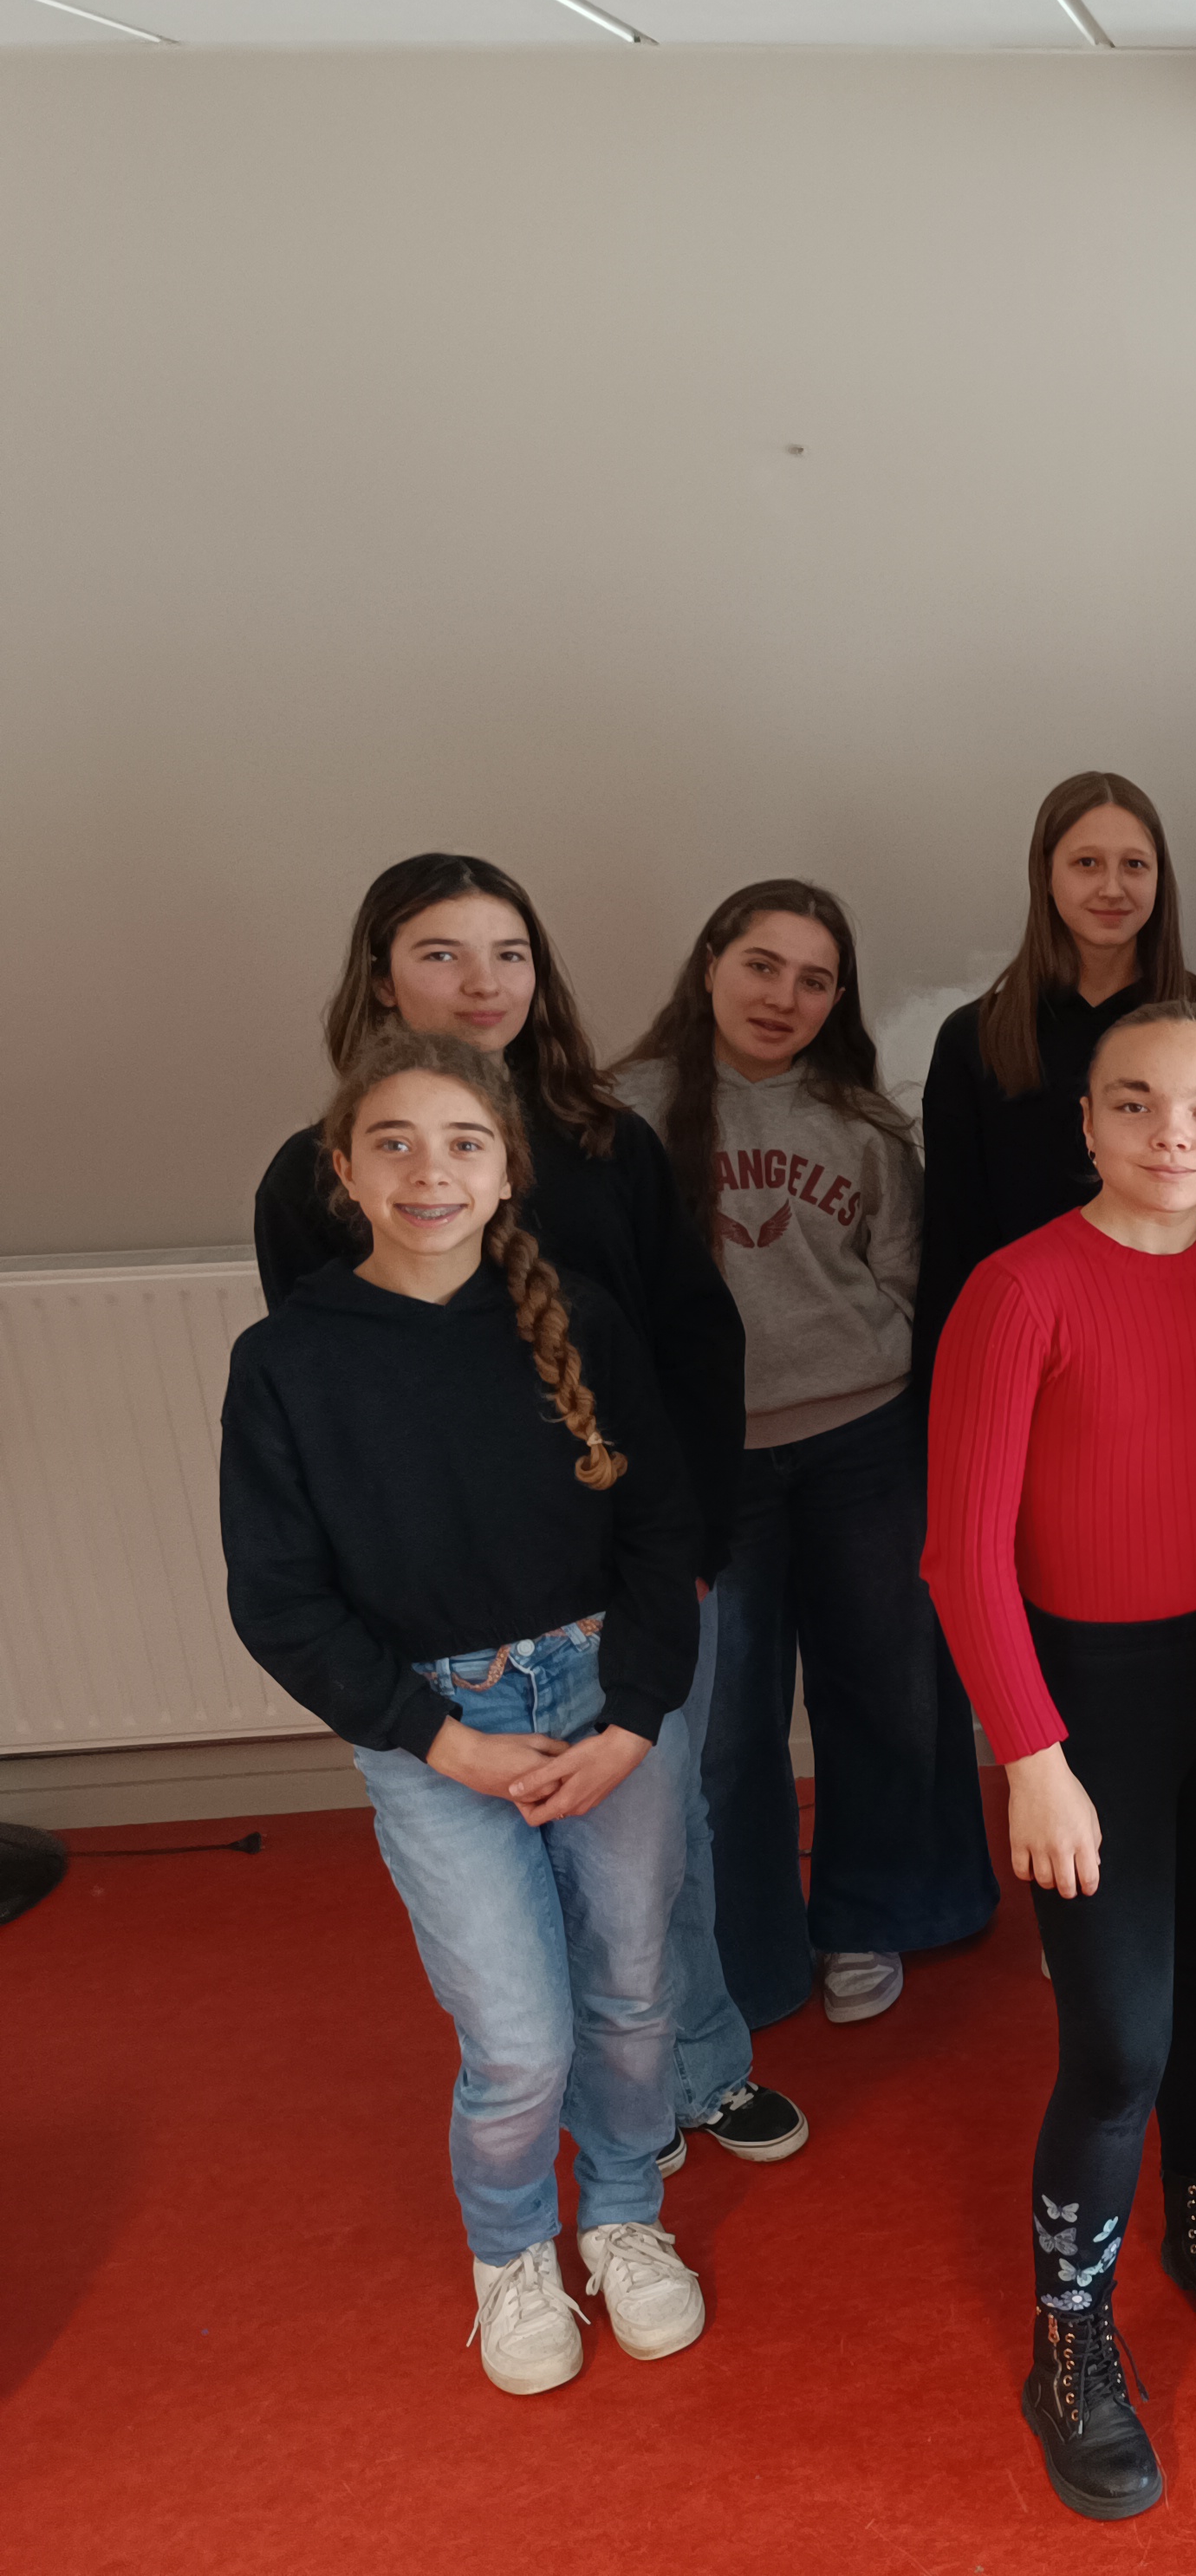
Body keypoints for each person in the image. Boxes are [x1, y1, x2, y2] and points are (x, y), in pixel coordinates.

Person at [249, 855, 799, 2170]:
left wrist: (694, 1548)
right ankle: (592, 2104)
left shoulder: (607, 1144)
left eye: (509, 953)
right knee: (519, 1888)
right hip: (449, 1629)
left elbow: (693, 1341)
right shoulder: (314, 1179)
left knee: (665, 1846)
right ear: (382, 977)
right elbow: (331, 1414)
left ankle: (699, 2067)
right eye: (442, 953)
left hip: (633, 1578)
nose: (482, 982)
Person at [221, 1032, 709, 2397]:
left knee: (631, 1994)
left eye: (463, 1143)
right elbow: (281, 1601)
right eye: (393, 1142)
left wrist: (633, 1720)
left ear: (506, 1173)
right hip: (433, 1732)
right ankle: (512, 2250)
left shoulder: (581, 1322)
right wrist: (445, 1742)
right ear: (343, 1170)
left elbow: (662, 1527)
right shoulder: (288, 1362)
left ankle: (623, 2214)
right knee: (517, 2039)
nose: (428, 1171)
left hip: (608, 1699)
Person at [920, 1002, 1196, 2524]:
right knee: (1117, 2039)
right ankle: (1070, 2335)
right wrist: (1032, 1756)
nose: (1175, 1132)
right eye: (1139, 1102)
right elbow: (962, 1554)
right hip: (1085, 1710)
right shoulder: (1019, 1290)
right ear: (1087, 1124)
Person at [614, 880, 998, 2033]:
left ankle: (871, 1916)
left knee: (887, 1691)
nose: (785, 996)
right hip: (709, 1468)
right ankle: (752, 1954)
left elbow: (908, 1277)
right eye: (763, 966)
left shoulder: (863, 1123)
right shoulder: (627, 1115)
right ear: (711, 964)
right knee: (726, 1730)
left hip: (862, 1446)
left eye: (815, 980)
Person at [916, 771, 1196, 1380]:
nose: (1112, 887)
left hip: (1175, 1345)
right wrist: (946, 1387)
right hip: (1021, 1353)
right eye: (1086, 863)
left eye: (1134, 865)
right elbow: (953, 1238)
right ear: (1045, 874)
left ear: (1160, 879)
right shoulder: (976, 1038)